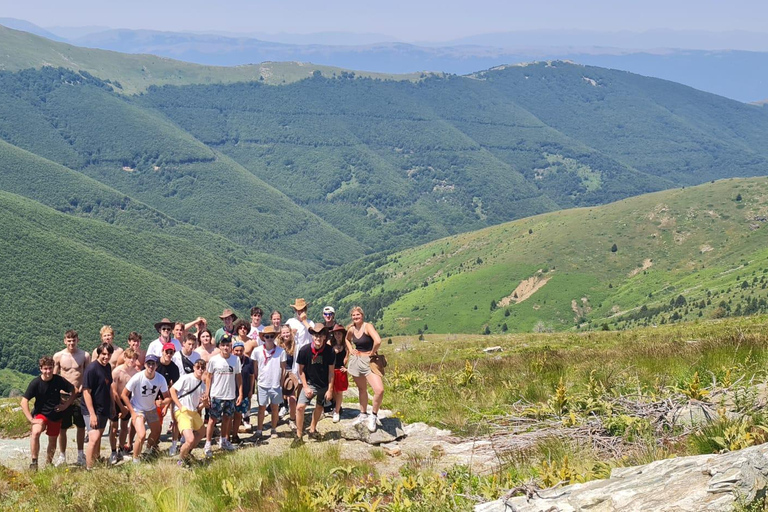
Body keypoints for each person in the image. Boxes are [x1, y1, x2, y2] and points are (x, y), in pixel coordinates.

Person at [21, 356, 76, 470]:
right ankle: (34, 462)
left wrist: (65, 405)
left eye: (50, 368)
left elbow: (73, 390)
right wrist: (31, 419)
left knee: (52, 440)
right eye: (45, 369)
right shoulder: (35, 383)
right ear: (41, 369)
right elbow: (24, 401)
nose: (48, 371)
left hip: (55, 414)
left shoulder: (58, 380)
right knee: (35, 433)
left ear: (53, 368)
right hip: (40, 414)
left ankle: (48, 463)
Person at [122, 354, 170, 463]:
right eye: (149, 363)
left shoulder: (160, 379)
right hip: (138, 409)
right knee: (142, 435)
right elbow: (124, 394)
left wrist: (162, 403)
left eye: (153, 364)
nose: (151, 366)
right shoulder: (138, 377)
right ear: (145, 364)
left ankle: (148, 450)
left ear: (156, 365)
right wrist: (132, 412)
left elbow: (168, 398)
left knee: (157, 431)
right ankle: (135, 459)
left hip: (150, 408)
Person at [53, 329, 90, 466]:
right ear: (65, 341)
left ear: (77, 341)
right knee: (63, 427)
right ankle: (62, 456)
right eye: (69, 341)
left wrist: (84, 387)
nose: (71, 343)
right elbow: (54, 377)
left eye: (73, 340)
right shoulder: (58, 356)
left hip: (79, 394)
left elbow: (87, 373)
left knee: (81, 426)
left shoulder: (84, 355)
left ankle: (80, 454)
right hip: (64, 395)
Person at [346, 306, 385, 432]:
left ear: (362, 316)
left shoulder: (367, 326)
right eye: (354, 315)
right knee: (362, 389)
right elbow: (347, 339)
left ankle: (373, 415)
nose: (356, 317)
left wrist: (372, 352)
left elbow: (378, 340)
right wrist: (351, 349)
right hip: (357, 361)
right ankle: (363, 414)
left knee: (379, 390)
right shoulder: (351, 329)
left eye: (358, 315)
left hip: (369, 362)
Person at [202, 335, 242, 456]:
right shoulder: (214, 360)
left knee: (227, 419)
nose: (225, 347)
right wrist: (207, 394)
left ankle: (224, 441)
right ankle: (208, 444)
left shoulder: (236, 360)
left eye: (228, 345)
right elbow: (209, 377)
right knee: (212, 420)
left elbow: (238, 377)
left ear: (231, 346)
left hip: (230, 395)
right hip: (216, 395)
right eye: (223, 345)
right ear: (219, 346)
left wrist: (240, 393)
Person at [295, 323, 335, 442]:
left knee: (319, 407)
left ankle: (312, 429)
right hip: (310, 382)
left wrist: (330, 389)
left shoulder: (330, 351)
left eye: (321, 335)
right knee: (300, 407)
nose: (318, 338)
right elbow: (300, 371)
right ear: (312, 336)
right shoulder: (305, 350)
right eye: (316, 335)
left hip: (323, 384)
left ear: (324, 337)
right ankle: (298, 435)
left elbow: (331, 372)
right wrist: (306, 387)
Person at [82, 342, 114, 470]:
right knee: (94, 438)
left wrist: (112, 405)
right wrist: (92, 414)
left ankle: (96, 459)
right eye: (103, 354)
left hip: (104, 407)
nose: (106, 357)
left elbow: (109, 386)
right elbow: (86, 392)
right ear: (98, 354)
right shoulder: (91, 369)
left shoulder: (108, 367)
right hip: (91, 409)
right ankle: (89, 468)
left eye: (108, 354)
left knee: (99, 436)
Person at [170, 359, 208, 466]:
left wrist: (204, 403)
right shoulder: (186, 378)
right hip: (183, 412)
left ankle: (187, 452)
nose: (200, 370)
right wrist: (180, 406)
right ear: (194, 368)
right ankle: (181, 459)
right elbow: (172, 390)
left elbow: (198, 407)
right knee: (190, 439)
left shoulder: (202, 384)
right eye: (198, 367)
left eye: (202, 368)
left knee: (201, 432)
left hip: (193, 411)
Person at [252, 326, 286, 438]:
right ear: (263, 338)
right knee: (261, 407)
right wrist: (258, 380)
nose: (269, 338)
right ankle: (259, 430)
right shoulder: (257, 351)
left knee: (275, 408)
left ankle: (273, 429)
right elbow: (255, 368)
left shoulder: (281, 351)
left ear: (275, 337)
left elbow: (283, 369)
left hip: (275, 384)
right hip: (262, 384)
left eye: (272, 336)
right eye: (267, 336)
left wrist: (281, 384)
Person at [111, 347, 139, 463]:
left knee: (124, 427)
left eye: (133, 359)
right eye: (129, 358)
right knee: (113, 428)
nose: (131, 361)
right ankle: (113, 452)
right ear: (125, 358)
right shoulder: (117, 371)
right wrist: (120, 406)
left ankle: (121, 449)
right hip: (115, 401)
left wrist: (128, 406)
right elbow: (113, 391)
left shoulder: (136, 373)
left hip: (127, 401)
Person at [156, 342, 181, 455]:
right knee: (154, 422)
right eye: (167, 351)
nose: (169, 354)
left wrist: (166, 405)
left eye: (171, 352)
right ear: (162, 351)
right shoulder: (154, 363)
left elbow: (173, 388)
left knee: (174, 419)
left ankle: (173, 444)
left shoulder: (174, 368)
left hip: (166, 396)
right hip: (151, 395)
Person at [231, 340, 255, 443]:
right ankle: (226, 435)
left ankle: (235, 435)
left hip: (244, 392)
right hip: (231, 392)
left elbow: (252, 376)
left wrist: (251, 390)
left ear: (243, 350)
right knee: (228, 416)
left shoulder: (249, 361)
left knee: (238, 415)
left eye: (241, 350)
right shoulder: (230, 360)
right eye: (236, 350)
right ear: (233, 351)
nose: (238, 353)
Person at [277, 324, 298, 426]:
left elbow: (296, 361)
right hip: (279, 373)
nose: (286, 334)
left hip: (290, 373)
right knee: (277, 397)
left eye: (287, 332)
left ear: (290, 333)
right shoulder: (277, 346)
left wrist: (295, 375)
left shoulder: (294, 345)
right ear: (280, 334)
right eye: (283, 332)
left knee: (292, 398)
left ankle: (292, 418)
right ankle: (277, 415)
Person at [330, 324, 349, 423]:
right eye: (336, 333)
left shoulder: (346, 345)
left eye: (339, 334)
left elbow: (348, 357)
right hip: (331, 371)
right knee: (332, 391)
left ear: (342, 335)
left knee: (339, 392)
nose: (337, 335)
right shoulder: (330, 344)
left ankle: (336, 411)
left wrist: (347, 368)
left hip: (340, 370)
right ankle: (335, 407)